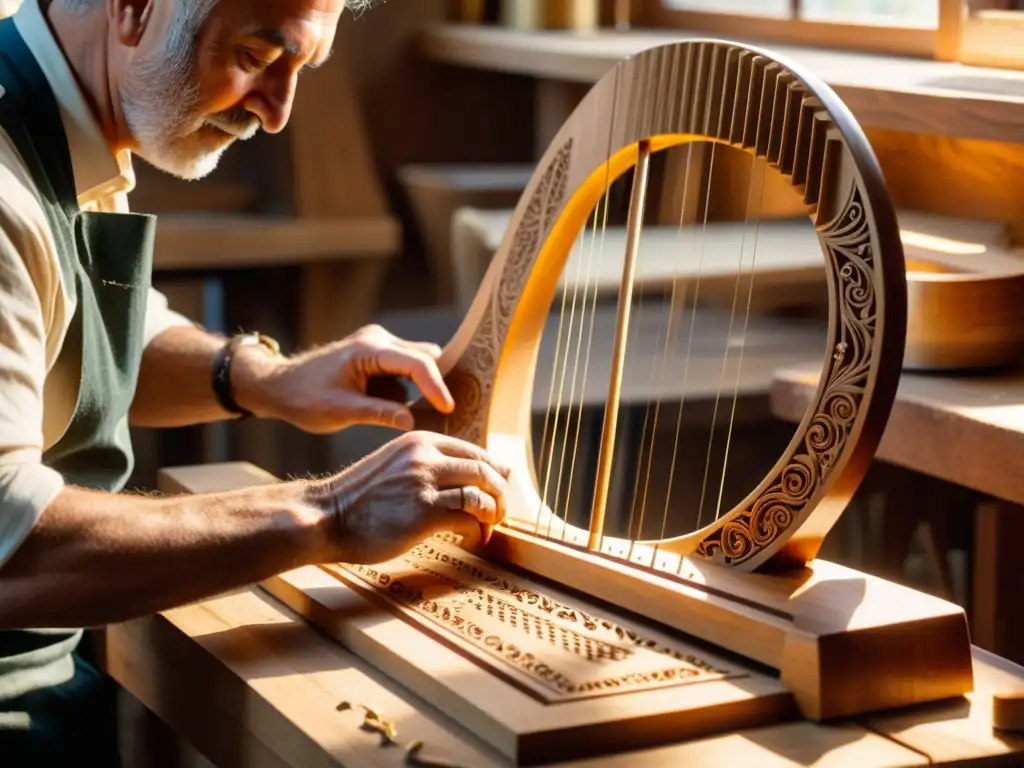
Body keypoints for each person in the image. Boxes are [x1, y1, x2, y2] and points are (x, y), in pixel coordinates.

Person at [0, 0, 510, 761]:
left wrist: (262, 377)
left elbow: (78, 326)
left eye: (300, 70)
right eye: (258, 59)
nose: (277, 114)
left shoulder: (65, 108)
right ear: (136, 9)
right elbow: (13, 550)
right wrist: (334, 510)